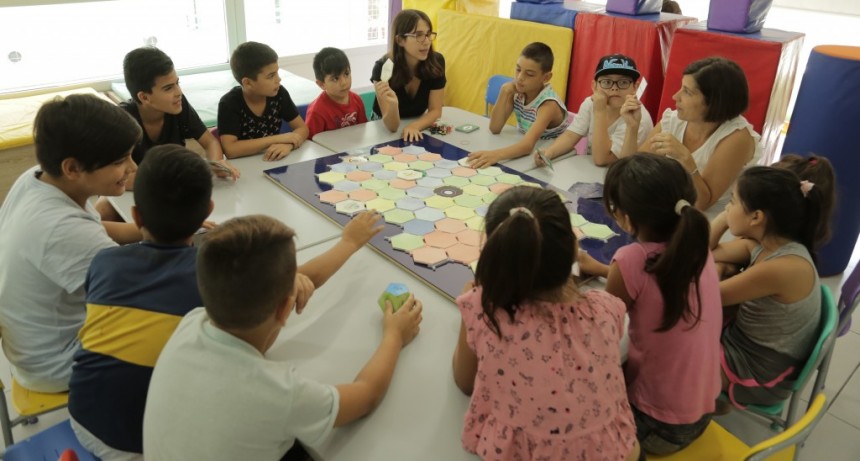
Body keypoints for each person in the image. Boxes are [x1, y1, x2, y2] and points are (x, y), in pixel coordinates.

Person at [143, 215, 423, 460]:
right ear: (286, 308)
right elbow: (367, 396)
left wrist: (348, 243)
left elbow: (268, 288)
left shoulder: (193, 320)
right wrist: (394, 336)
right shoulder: (279, 393)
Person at [452, 186, 641, 461]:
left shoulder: (484, 311)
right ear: (574, 249)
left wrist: (471, 308)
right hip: (623, 453)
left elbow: (464, 382)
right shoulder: (606, 308)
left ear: (498, 254)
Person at [68, 145, 214, 460]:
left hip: (82, 416)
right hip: (145, 443)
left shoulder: (105, 261)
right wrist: (350, 242)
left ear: (135, 216)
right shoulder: (213, 277)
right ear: (208, 212)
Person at [578, 154, 722, 455]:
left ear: (626, 219)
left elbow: (597, 335)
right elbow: (654, 281)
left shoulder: (631, 259)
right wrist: (604, 270)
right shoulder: (695, 247)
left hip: (657, 425)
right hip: (704, 408)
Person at [0, 94, 141, 393]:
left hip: (33, 343)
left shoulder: (37, 179)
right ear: (73, 168)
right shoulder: (60, 230)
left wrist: (146, 230)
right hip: (59, 362)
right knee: (179, 322)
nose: (132, 167)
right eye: (120, 160)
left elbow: (93, 227)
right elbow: (136, 294)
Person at [712, 163, 835, 408]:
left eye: (733, 201)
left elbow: (705, 296)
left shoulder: (782, 267)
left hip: (758, 371)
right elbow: (702, 251)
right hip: (745, 342)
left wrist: (721, 221)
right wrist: (720, 264)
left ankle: (703, 404)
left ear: (757, 217)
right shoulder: (769, 244)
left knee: (669, 353)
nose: (727, 207)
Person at [621, 57, 762, 217]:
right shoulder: (673, 121)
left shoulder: (737, 137)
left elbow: (702, 203)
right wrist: (632, 128)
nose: (675, 96)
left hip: (717, 222)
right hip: (673, 211)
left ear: (714, 101)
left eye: (687, 92)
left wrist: (685, 158)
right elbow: (629, 173)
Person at [119, 47, 239, 179]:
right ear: (144, 97)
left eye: (177, 83)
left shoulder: (178, 105)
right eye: (168, 88)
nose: (179, 92)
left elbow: (210, 142)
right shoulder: (122, 120)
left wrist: (217, 164)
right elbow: (117, 178)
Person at [467, 42, 574, 169]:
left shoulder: (548, 105)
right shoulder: (517, 91)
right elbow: (495, 128)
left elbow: (527, 146)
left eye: (529, 74)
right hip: (529, 153)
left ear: (546, 77)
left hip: (553, 159)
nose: (520, 77)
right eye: (518, 69)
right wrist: (504, 91)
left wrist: (495, 155)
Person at [538, 54, 653, 167]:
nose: (614, 88)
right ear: (594, 86)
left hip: (620, 176)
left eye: (623, 82)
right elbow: (571, 135)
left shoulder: (637, 117)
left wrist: (600, 111)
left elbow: (602, 160)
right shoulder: (590, 103)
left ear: (635, 87)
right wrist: (550, 152)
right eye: (607, 82)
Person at [218, 41, 310, 161]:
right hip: (243, 168)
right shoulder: (229, 103)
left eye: (277, 72)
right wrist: (278, 139)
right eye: (271, 76)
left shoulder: (279, 93)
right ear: (248, 82)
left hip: (274, 161)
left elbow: (302, 128)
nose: (279, 79)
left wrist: (288, 144)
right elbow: (231, 150)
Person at [371, 9, 446, 141]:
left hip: (416, 123)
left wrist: (415, 126)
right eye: (418, 35)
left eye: (428, 34)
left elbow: (435, 111)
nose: (427, 41)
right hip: (382, 128)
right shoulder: (382, 68)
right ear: (400, 40)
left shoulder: (436, 62)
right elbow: (392, 127)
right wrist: (393, 105)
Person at [306, 47, 368, 139]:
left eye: (346, 74)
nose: (344, 82)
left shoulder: (357, 100)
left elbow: (363, 131)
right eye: (335, 78)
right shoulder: (316, 111)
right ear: (321, 84)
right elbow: (310, 145)